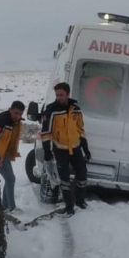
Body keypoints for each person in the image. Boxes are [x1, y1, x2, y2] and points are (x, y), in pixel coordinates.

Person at [40, 82, 91, 215]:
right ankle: (69, 206)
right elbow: (46, 133)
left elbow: (80, 129)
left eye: (61, 95)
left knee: (82, 176)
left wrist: (86, 149)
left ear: (67, 94)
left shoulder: (76, 109)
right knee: (65, 180)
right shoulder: (51, 110)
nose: (59, 97)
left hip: (75, 148)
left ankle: (80, 201)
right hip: (60, 149)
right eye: (57, 95)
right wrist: (47, 151)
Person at [0, 101, 25, 213]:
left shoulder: (15, 122)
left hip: (5, 154)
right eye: (15, 113)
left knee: (10, 179)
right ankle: (12, 208)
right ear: (10, 109)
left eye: (20, 114)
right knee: (10, 179)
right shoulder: (1, 120)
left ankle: (5, 206)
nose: (17, 116)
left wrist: (13, 152)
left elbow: (9, 140)